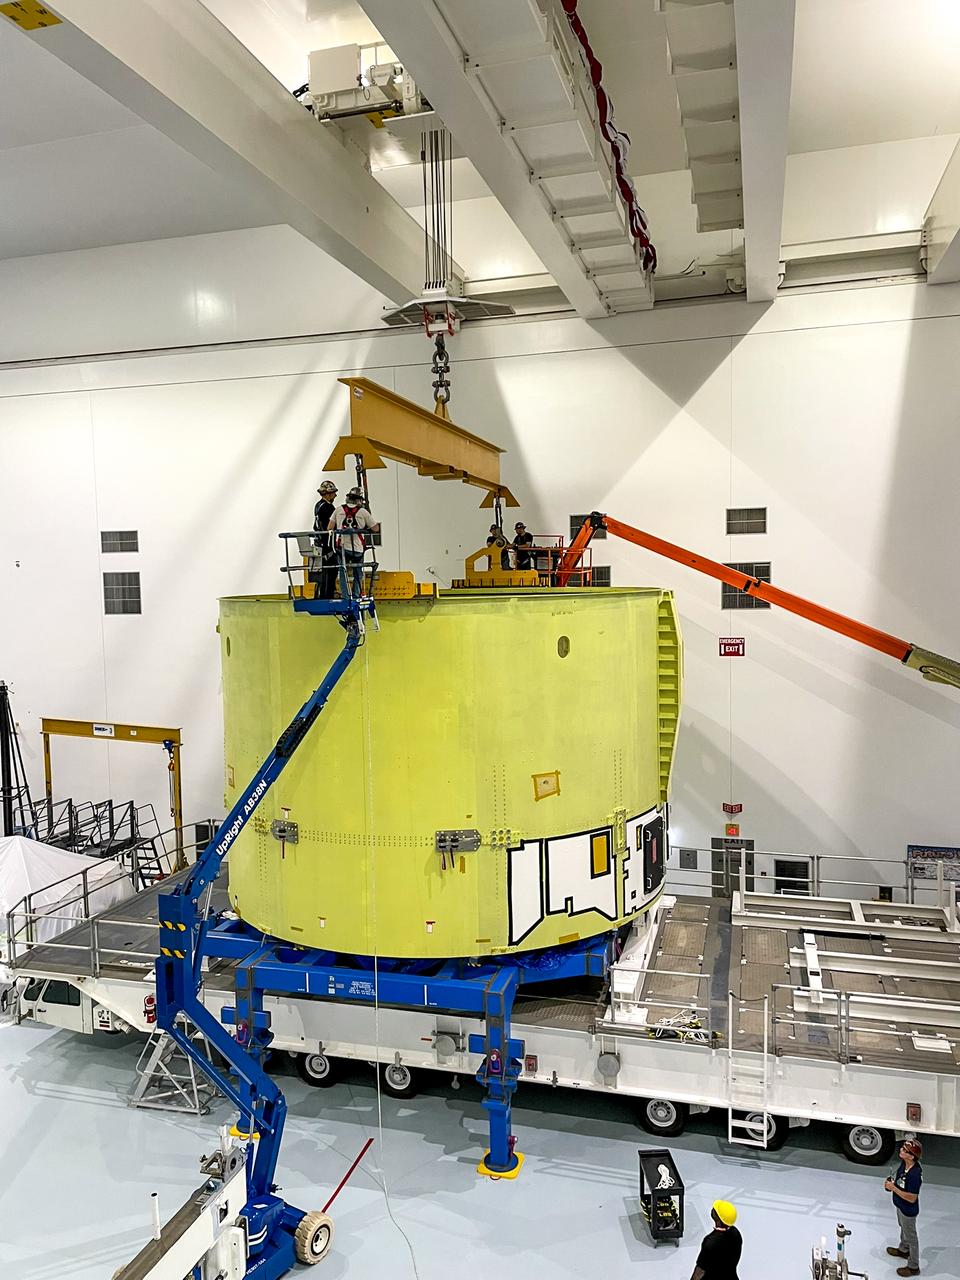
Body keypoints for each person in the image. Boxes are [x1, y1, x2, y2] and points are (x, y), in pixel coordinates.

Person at [330, 486, 379, 599]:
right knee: (358, 573)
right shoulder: (363, 512)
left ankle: (346, 596)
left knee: (343, 572)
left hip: (343, 548)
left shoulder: (338, 510)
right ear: (359, 500)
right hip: (358, 549)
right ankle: (356, 595)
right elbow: (376, 528)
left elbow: (330, 527)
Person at [885, 1138, 922, 1275]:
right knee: (903, 1228)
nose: (901, 1150)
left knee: (911, 1237)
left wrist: (893, 1188)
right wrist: (892, 1184)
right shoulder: (904, 1164)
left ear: (912, 1156)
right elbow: (901, 1181)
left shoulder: (914, 1175)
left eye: (905, 1150)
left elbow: (912, 1198)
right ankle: (903, 1250)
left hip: (908, 1209)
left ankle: (913, 1266)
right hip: (900, 1205)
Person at [690, 1200, 741, 1280]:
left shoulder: (710, 1242)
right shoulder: (736, 1233)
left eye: (715, 1209)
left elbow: (699, 1272)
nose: (713, 1208)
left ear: (718, 1218)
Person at [311, 480, 338, 599]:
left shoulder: (318, 505)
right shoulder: (328, 507)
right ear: (327, 494)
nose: (335, 495)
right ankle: (328, 595)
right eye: (333, 493)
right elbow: (331, 525)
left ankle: (322, 595)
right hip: (327, 544)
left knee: (322, 572)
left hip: (319, 543)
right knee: (331, 570)